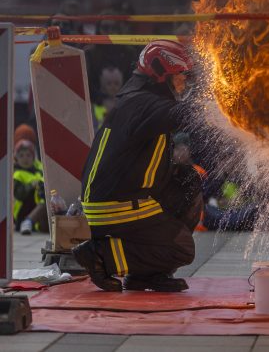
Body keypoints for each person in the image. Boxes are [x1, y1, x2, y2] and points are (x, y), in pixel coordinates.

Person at [71, 40, 199, 292]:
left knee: (187, 180)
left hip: (125, 195)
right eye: (180, 76)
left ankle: (147, 274)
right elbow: (183, 116)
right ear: (161, 75)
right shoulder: (143, 103)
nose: (184, 83)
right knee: (181, 248)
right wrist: (222, 110)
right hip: (111, 204)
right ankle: (100, 256)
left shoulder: (141, 99)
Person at [13, 139, 46, 235]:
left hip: (37, 213)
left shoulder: (39, 172)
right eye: (21, 155)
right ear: (16, 158)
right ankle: (28, 221)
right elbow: (19, 195)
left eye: (28, 155)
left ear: (33, 157)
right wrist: (32, 185)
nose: (25, 158)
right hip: (22, 214)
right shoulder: (17, 175)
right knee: (44, 203)